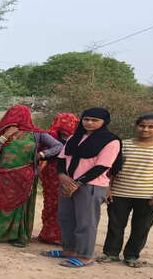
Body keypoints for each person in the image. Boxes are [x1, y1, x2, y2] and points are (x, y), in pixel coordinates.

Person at [0, 105, 63, 248]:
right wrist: (4, 136)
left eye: (19, 115)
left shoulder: (36, 134)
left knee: (20, 206)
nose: (15, 118)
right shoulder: (0, 132)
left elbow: (58, 147)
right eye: (12, 114)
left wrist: (41, 155)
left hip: (23, 176)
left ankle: (17, 236)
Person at [46, 107, 123, 268]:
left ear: (104, 122)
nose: (89, 123)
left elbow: (102, 166)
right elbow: (62, 159)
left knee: (86, 222)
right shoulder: (75, 137)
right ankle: (69, 250)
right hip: (68, 183)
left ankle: (85, 256)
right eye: (86, 119)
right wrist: (62, 176)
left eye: (95, 120)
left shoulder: (111, 141)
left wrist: (77, 183)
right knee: (66, 218)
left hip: (91, 186)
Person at [99, 114, 153, 267]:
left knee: (141, 227)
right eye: (142, 125)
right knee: (115, 225)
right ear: (136, 126)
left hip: (148, 195)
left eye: (151, 127)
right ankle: (111, 253)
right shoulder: (123, 145)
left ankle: (132, 256)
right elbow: (112, 170)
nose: (145, 129)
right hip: (120, 193)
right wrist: (108, 188)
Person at [35, 113, 79, 245]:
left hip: (71, 176)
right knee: (50, 204)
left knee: (67, 205)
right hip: (51, 175)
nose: (67, 126)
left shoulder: (80, 138)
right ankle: (48, 234)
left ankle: (64, 237)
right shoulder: (50, 136)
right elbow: (38, 151)